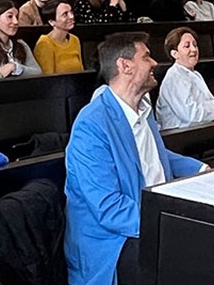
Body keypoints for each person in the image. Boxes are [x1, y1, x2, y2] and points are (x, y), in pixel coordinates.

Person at [64, 32, 205, 285]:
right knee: (192, 255)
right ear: (125, 65)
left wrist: (202, 169)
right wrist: (166, 223)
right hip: (112, 241)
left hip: (147, 220)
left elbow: (153, 156)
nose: (154, 63)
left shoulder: (141, 109)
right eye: (146, 57)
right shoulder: (91, 125)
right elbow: (109, 209)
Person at [156, 27, 214, 130]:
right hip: (180, 135)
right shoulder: (174, 77)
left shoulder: (195, 74)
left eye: (195, 45)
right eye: (187, 46)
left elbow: (208, 103)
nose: (193, 49)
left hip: (199, 129)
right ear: (175, 53)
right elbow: (191, 114)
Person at [32, 0, 83, 74]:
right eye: (65, 14)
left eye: (71, 12)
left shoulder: (75, 40)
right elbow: (48, 78)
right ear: (51, 22)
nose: (72, 16)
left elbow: (81, 71)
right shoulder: (45, 43)